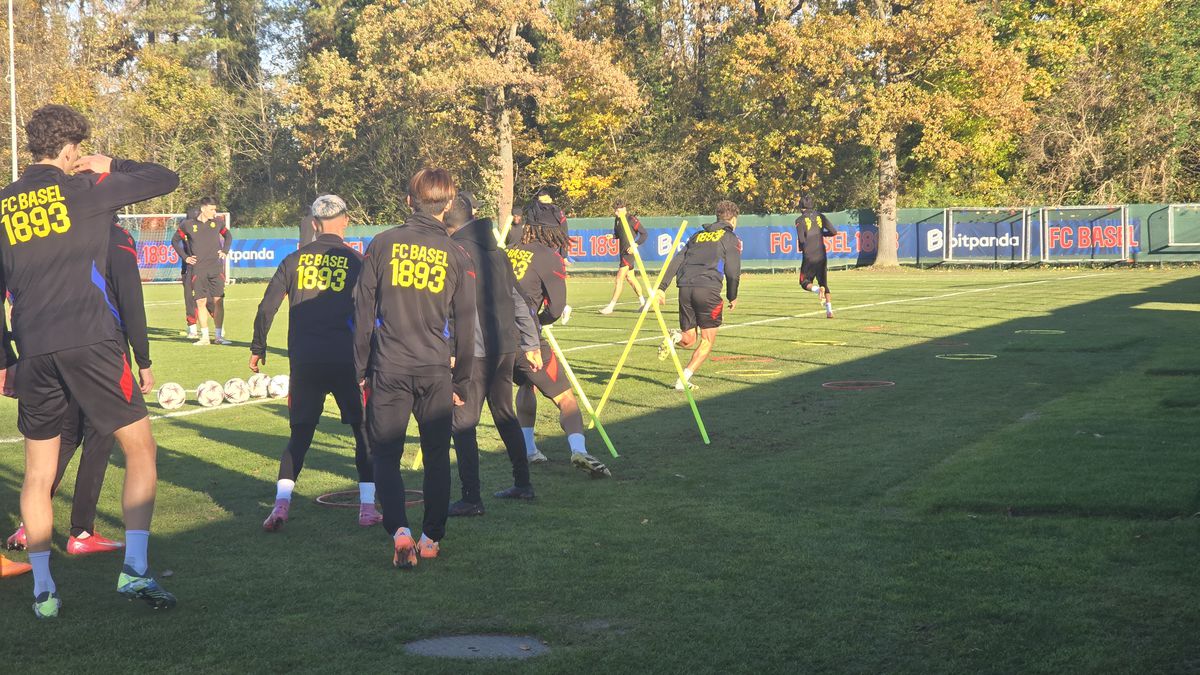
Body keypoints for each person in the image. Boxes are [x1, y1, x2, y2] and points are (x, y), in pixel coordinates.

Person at [0, 104, 178, 619]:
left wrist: (4, 358)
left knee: (38, 473)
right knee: (140, 450)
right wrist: (112, 164)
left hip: (32, 347)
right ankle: (136, 569)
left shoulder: (3, 206)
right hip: (93, 340)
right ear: (71, 149)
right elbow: (166, 177)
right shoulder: (87, 188)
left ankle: (44, 591)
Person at [6, 218, 154, 557]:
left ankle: (32, 526)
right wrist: (143, 360)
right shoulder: (114, 237)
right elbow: (131, 301)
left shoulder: (63, 233)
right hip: (103, 346)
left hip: (57, 344)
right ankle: (82, 531)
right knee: (102, 437)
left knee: (66, 436)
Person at [353, 168, 477, 568]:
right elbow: (467, 320)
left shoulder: (383, 243)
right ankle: (430, 538)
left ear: (409, 201)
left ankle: (400, 530)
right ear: (449, 205)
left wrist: (359, 369)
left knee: (385, 455)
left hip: (388, 366)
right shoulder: (457, 254)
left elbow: (362, 309)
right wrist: (462, 379)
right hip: (435, 369)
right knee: (438, 456)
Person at [251, 194, 380, 532]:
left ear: (312, 223)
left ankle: (281, 505)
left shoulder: (293, 260)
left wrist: (258, 345)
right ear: (346, 221)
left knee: (300, 436)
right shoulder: (358, 260)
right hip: (347, 360)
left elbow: (267, 307)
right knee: (363, 432)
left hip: (305, 360)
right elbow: (373, 313)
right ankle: (367, 509)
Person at [445, 193, 543, 515]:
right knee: (504, 414)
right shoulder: (498, 253)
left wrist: (449, 350)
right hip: (504, 347)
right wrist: (530, 344)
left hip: (473, 352)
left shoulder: (455, 252)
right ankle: (524, 483)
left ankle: (471, 498)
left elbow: (446, 308)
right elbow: (519, 300)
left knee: (463, 422)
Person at [507, 223, 611, 479]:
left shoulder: (506, 250)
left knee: (525, 385)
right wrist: (538, 322)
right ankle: (578, 449)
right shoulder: (548, 256)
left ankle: (529, 449)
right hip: (525, 340)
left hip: (493, 340)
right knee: (566, 399)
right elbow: (556, 307)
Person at [655, 200, 742, 391]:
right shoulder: (730, 238)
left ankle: (675, 336)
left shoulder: (697, 236)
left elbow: (677, 260)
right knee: (707, 341)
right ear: (733, 220)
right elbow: (733, 271)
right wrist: (732, 296)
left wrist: (661, 287)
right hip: (708, 289)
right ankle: (682, 380)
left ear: (717, 217)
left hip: (685, 288)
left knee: (689, 339)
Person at [182, 196, 231, 345]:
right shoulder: (188, 225)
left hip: (215, 268)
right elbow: (174, 240)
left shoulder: (217, 223)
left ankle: (218, 336)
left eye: (215, 209)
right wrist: (185, 257)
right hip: (198, 270)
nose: (214, 212)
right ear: (203, 209)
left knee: (218, 301)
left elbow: (228, 235)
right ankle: (204, 337)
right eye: (212, 209)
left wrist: (225, 250)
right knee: (201, 302)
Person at [523, 188, 572, 323]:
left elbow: (564, 233)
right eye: (540, 200)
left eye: (545, 200)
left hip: (551, 251)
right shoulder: (534, 211)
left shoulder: (556, 211)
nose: (542, 203)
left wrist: (564, 255)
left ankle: (559, 309)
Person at [599, 199, 647, 315]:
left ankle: (611, 306)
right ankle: (643, 303)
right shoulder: (617, 219)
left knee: (619, 278)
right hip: (622, 252)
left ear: (624, 209)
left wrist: (635, 245)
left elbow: (644, 234)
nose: (616, 213)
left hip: (629, 253)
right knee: (630, 278)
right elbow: (619, 234)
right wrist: (612, 236)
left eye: (618, 210)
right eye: (615, 211)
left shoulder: (631, 219)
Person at [795, 194, 836, 318]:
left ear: (801, 207)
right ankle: (829, 310)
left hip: (809, 255)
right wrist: (822, 234)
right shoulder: (820, 216)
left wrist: (802, 248)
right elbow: (834, 232)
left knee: (804, 282)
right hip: (821, 254)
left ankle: (818, 290)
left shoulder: (799, 220)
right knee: (824, 282)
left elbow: (802, 239)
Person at [170, 207, 199, 338]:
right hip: (188, 268)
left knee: (209, 300)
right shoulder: (185, 228)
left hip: (206, 269)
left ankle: (218, 330)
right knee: (189, 299)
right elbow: (175, 242)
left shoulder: (207, 229)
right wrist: (185, 260)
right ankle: (192, 328)